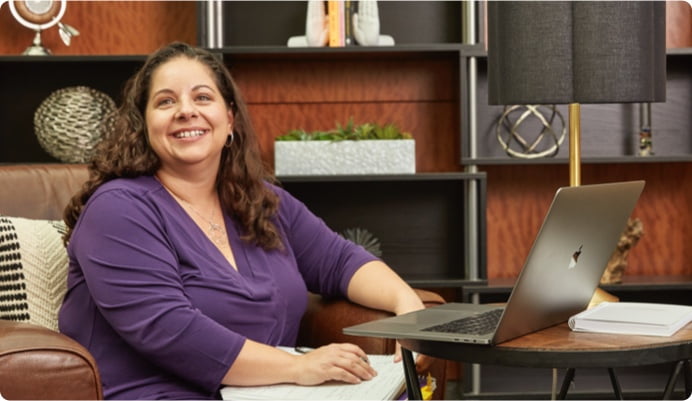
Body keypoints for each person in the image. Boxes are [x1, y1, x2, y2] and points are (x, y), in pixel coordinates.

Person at [58, 41, 429, 400]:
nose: (186, 111)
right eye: (166, 101)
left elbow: (340, 261)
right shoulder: (117, 209)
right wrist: (297, 367)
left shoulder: (260, 200)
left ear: (230, 118)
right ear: (143, 125)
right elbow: (169, 330)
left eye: (202, 97)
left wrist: (408, 306)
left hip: (265, 392)